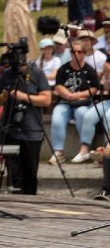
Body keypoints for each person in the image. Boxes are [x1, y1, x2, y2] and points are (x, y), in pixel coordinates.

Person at [0, 49, 52, 195]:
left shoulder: (36, 73)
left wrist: (23, 96)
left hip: (32, 131)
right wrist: (5, 96)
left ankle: (30, 201)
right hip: (11, 130)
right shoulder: (6, 75)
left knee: (30, 173)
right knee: (14, 174)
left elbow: (46, 99)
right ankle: (15, 202)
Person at [49, 30, 100, 165]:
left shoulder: (89, 70)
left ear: (84, 53)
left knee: (82, 113)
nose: (76, 54)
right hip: (65, 102)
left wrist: (77, 95)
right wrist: (66, 94)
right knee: (57, 116)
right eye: (73, 52)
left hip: (82, 103)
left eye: (80, 52)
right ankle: (58, 152)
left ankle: (84, 150)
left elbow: (94, 89)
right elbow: (58, 85)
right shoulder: (63, 68)